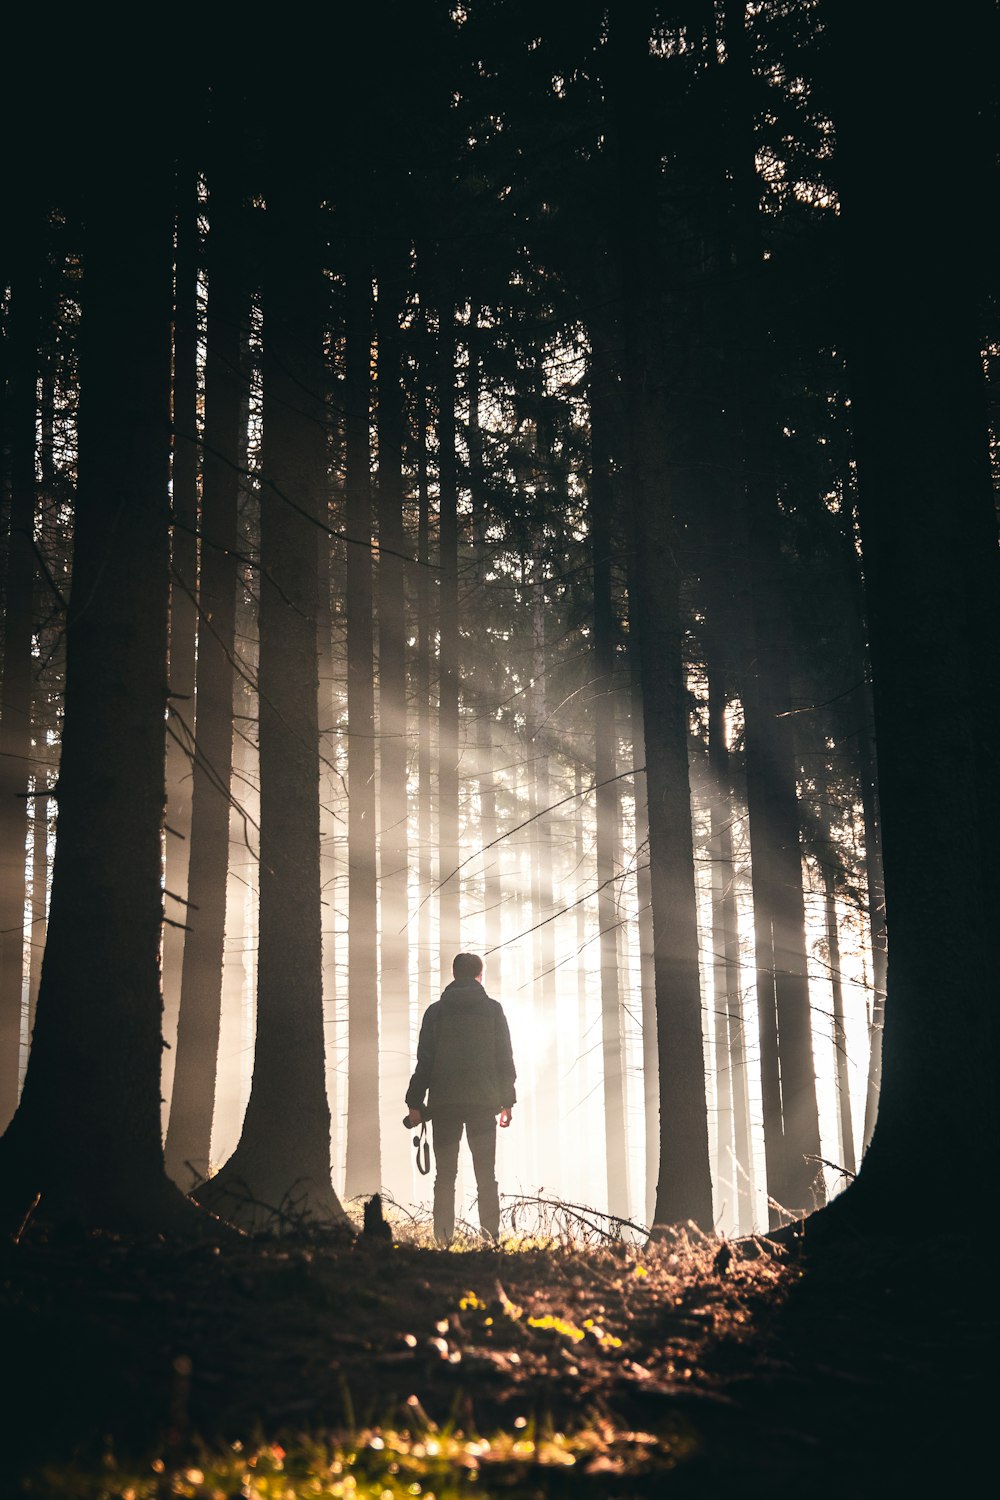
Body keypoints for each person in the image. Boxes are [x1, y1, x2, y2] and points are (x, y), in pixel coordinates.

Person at [404, 952, 516, 1245]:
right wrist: (507, 1101)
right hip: (482, 1106)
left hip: (444, 1107)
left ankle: (442, 1241)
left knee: (445, 1177)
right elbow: (504, 1058)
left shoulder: (436, 1012)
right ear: (480, 975)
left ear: (454, 975)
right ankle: (491, 1240)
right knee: (485, 1175)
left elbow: (424, 1061)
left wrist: (415, 1102)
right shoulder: (493, 1011)